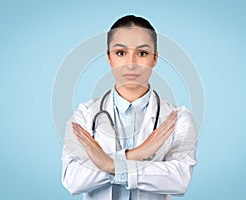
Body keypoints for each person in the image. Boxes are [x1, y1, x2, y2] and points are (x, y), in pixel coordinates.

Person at [61, 15, 197, 200]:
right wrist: (137, 155)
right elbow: (72, 179)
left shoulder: (178, 118)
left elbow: (179, 179)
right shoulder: (84, 116)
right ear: (109, 57)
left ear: (155, 59)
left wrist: (109, 164)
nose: (131, 64)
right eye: (120, 53)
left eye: (142, 53)